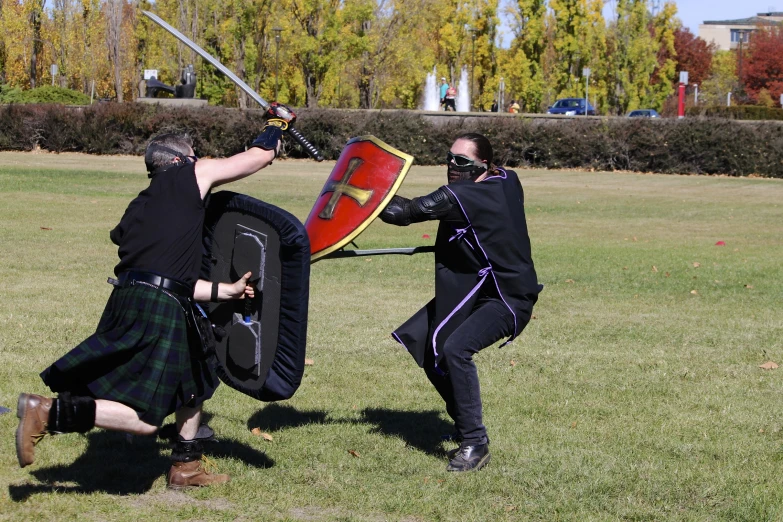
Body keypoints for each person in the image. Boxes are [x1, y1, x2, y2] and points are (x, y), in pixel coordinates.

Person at [15, 108, 289, 489]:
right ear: (180, 159)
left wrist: (221, 291)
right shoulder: (190, 174)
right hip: (157, 305)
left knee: (196, 381)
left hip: (134, 297)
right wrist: (277, 124)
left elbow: (169, 275)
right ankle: (50, 412)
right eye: (195, 154)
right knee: (145, 418)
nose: (200, 161)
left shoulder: (140, 207)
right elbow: (258, 158)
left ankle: (186, 468)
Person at [380, 133, 540, 472]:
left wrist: (363, 197)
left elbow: (404, 212)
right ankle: (465, 421)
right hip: (478, 288)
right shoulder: (507, 179)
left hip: (507, 297)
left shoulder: (464, 195)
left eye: (462, 162)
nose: (452, 166)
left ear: (483, 165)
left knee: (456, 349)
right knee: (424, 342)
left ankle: (474, 443)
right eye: (449, 158)